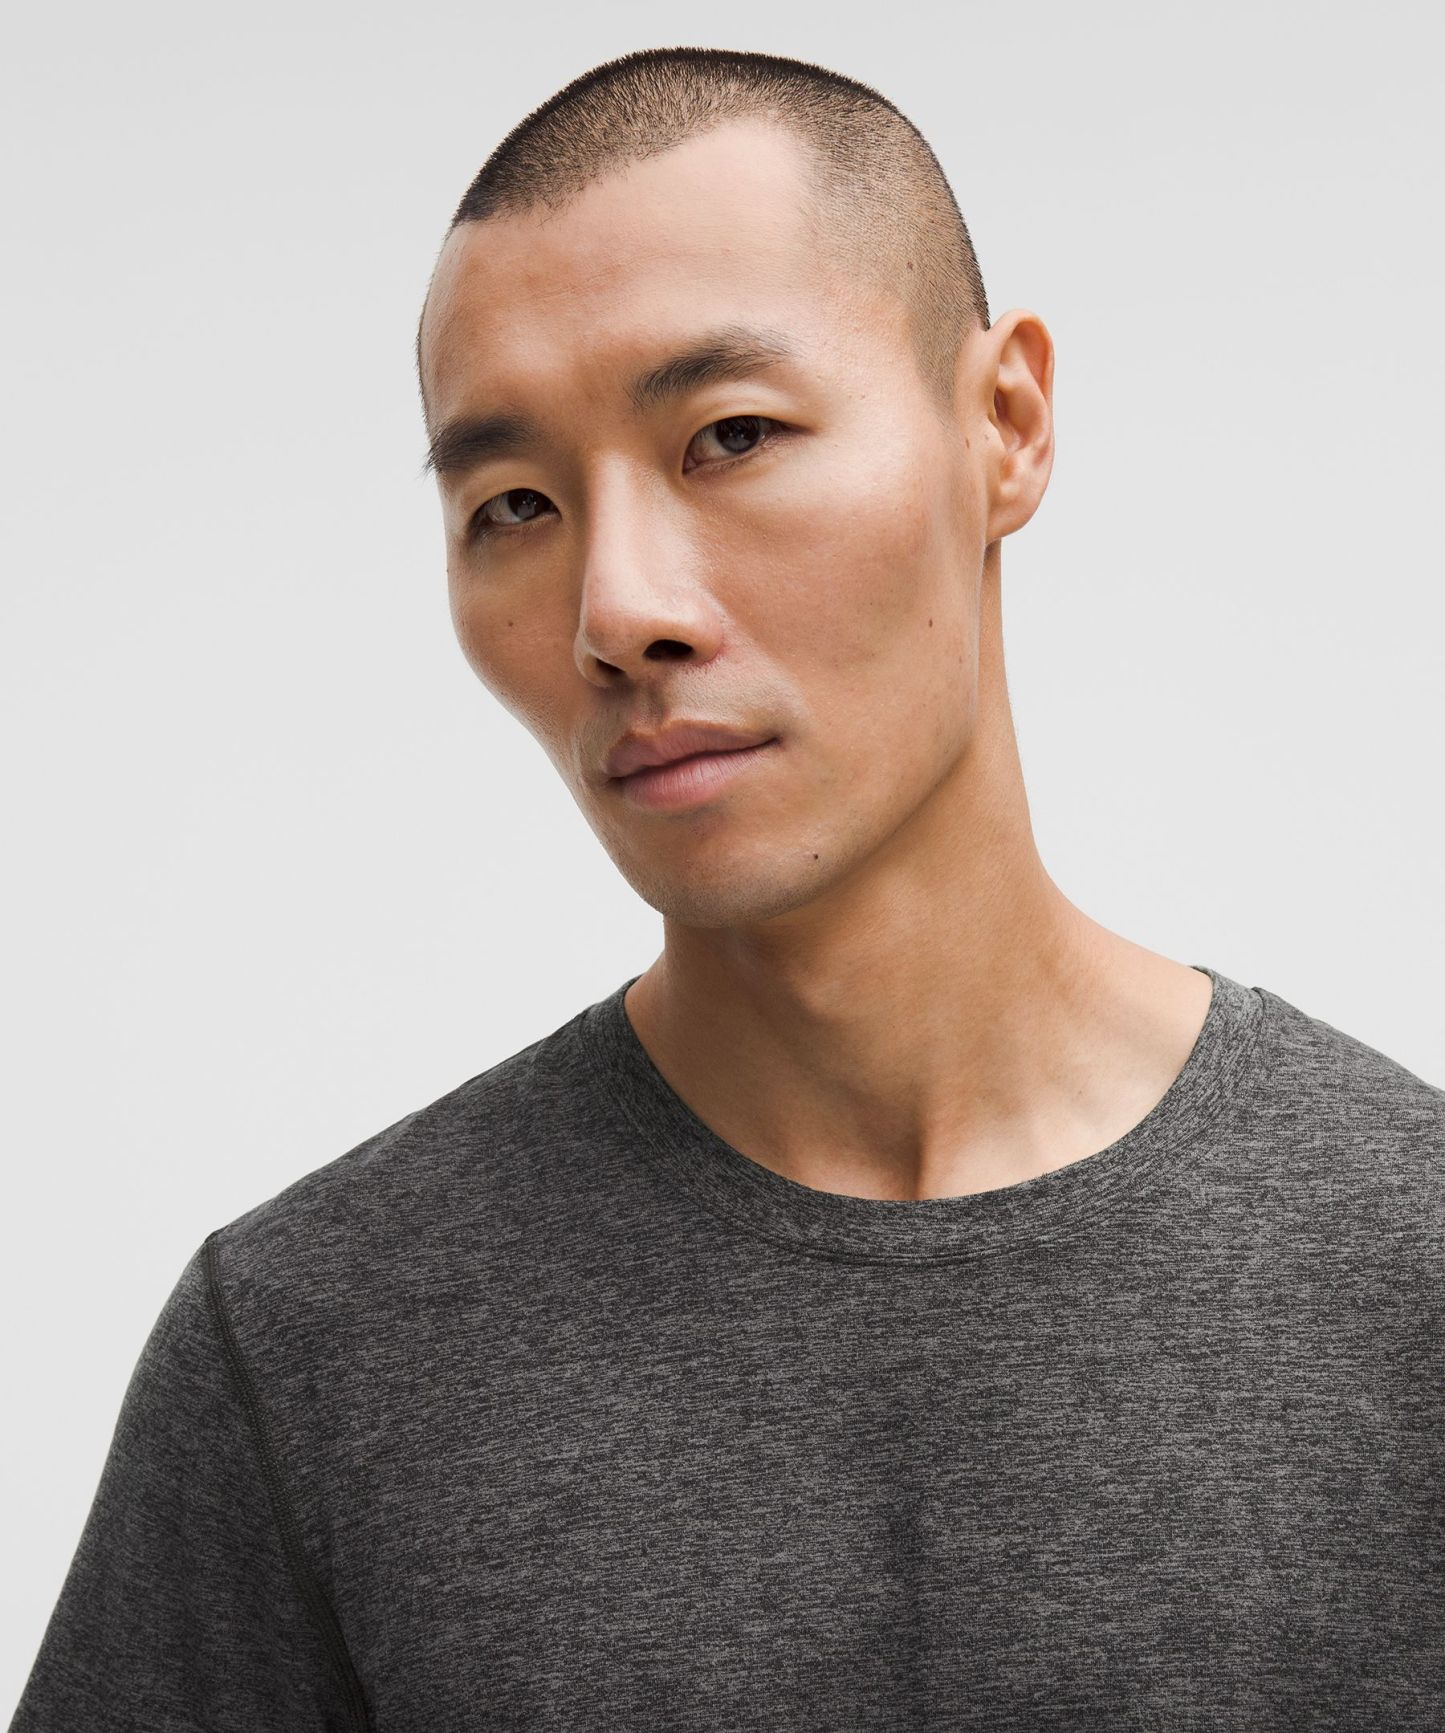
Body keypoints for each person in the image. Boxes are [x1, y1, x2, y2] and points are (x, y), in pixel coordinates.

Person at [10, 44, 1443, 1733]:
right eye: (514, 504)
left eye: (729, 435)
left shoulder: (1407, 1269)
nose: (616, 608)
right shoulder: (306, 1349)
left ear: (1002, 424)